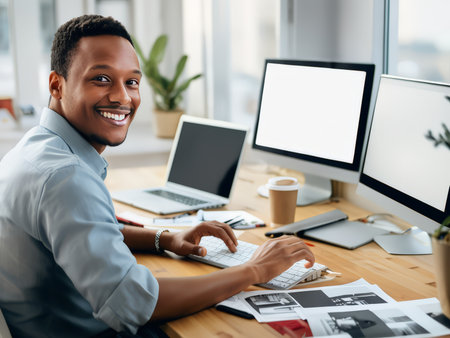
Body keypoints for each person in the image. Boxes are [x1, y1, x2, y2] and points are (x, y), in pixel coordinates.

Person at [0, 15, 314, 337]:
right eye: (102, 79)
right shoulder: (66, 178)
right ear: (57, 84)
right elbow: (135, 304)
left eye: (132, 82)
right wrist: (255, 268)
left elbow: (86, 233)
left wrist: (165, 238)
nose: (122, 97)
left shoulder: (33, 150)